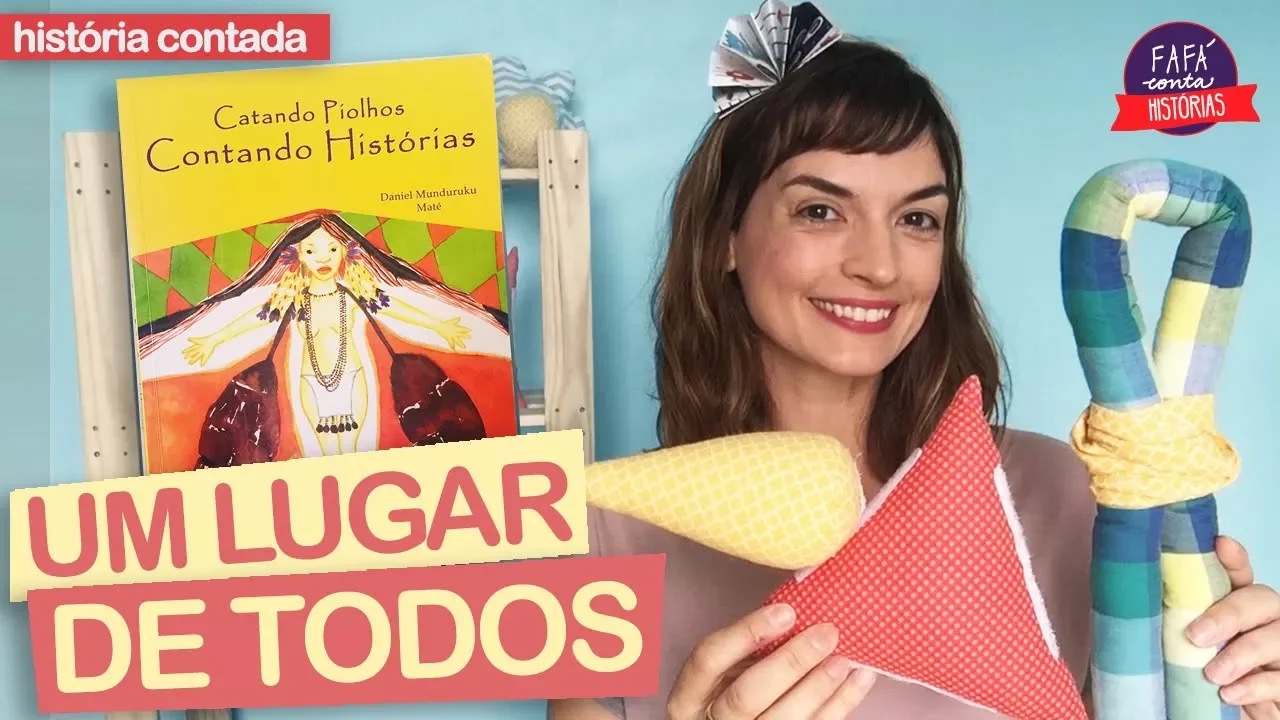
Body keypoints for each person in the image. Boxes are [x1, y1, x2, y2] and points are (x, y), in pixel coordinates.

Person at [547, 37, 1280, 720]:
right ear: (726, 237)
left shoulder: (1064, 496)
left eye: (918, 220)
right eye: (820, 210)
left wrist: (1238, 692)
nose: (880, 266)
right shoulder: (597, 547)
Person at [135, 212, 516, 471]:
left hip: (356, 377)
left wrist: (439, 325)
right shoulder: (290, 298)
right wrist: (214, 340)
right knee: (318, 448)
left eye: (332, 248)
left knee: (359, 445)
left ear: (346, 252)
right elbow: (252, 320)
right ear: (296, 255)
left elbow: (397, 310)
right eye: (312, 250)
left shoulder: (358, 292)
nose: (323, 257)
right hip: (308, 381)